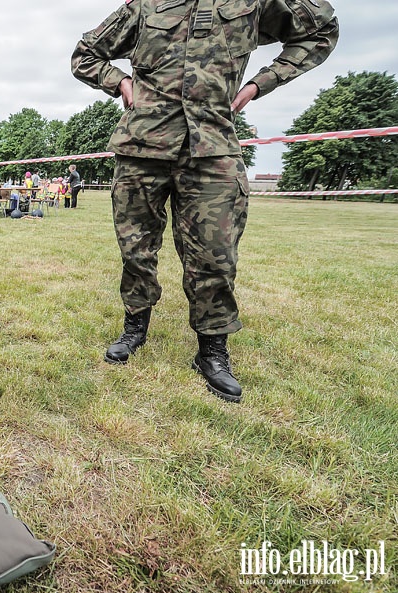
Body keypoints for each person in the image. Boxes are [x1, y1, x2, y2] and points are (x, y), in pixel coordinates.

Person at [71, 0, 338, 403]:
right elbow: (85, 54)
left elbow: (321, 31)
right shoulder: (146, 5)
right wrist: (121, 83)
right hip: (142, 144)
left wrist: (258, 84)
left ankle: (212, 352)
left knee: (215, 255)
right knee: (136, 250)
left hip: (213, 148)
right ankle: (134, 328)